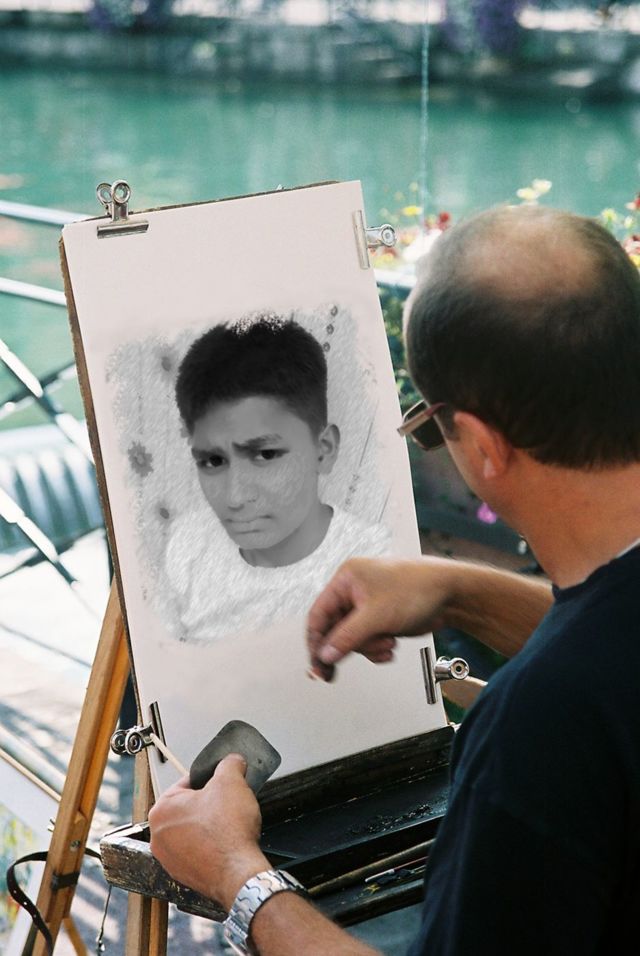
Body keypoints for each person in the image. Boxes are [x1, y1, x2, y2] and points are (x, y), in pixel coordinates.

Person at [148, 204, 640, 954]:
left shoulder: (534, 731)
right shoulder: (582, 685)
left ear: (480, 445)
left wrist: (238, 877)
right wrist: (459, 590)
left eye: (430, 427)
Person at [164, 314, 389, 642]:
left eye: (266, 455)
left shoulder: (378, 565)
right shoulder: (189, 544)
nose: (235, 497)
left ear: (323, 450)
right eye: (213, 461)